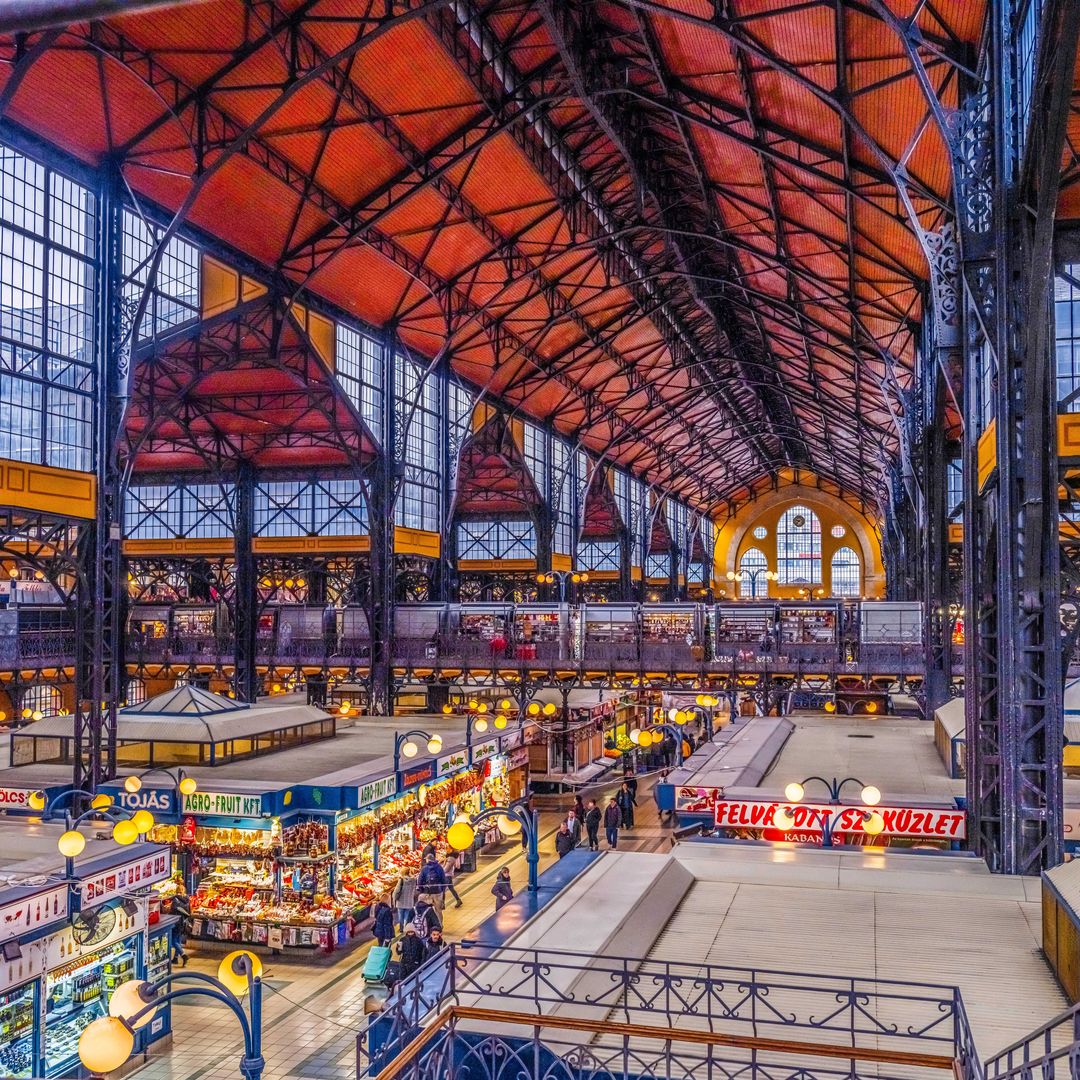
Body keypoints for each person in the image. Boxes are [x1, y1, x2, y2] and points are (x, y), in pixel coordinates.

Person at [171, 887, 191, 967]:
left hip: (176, 922)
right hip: (183, 922)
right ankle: (175, 958)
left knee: (173, 941)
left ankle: (183, 955)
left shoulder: (175, 899)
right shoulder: (187, 899)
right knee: (178, 940)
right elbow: (189, 911)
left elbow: (172, 910)